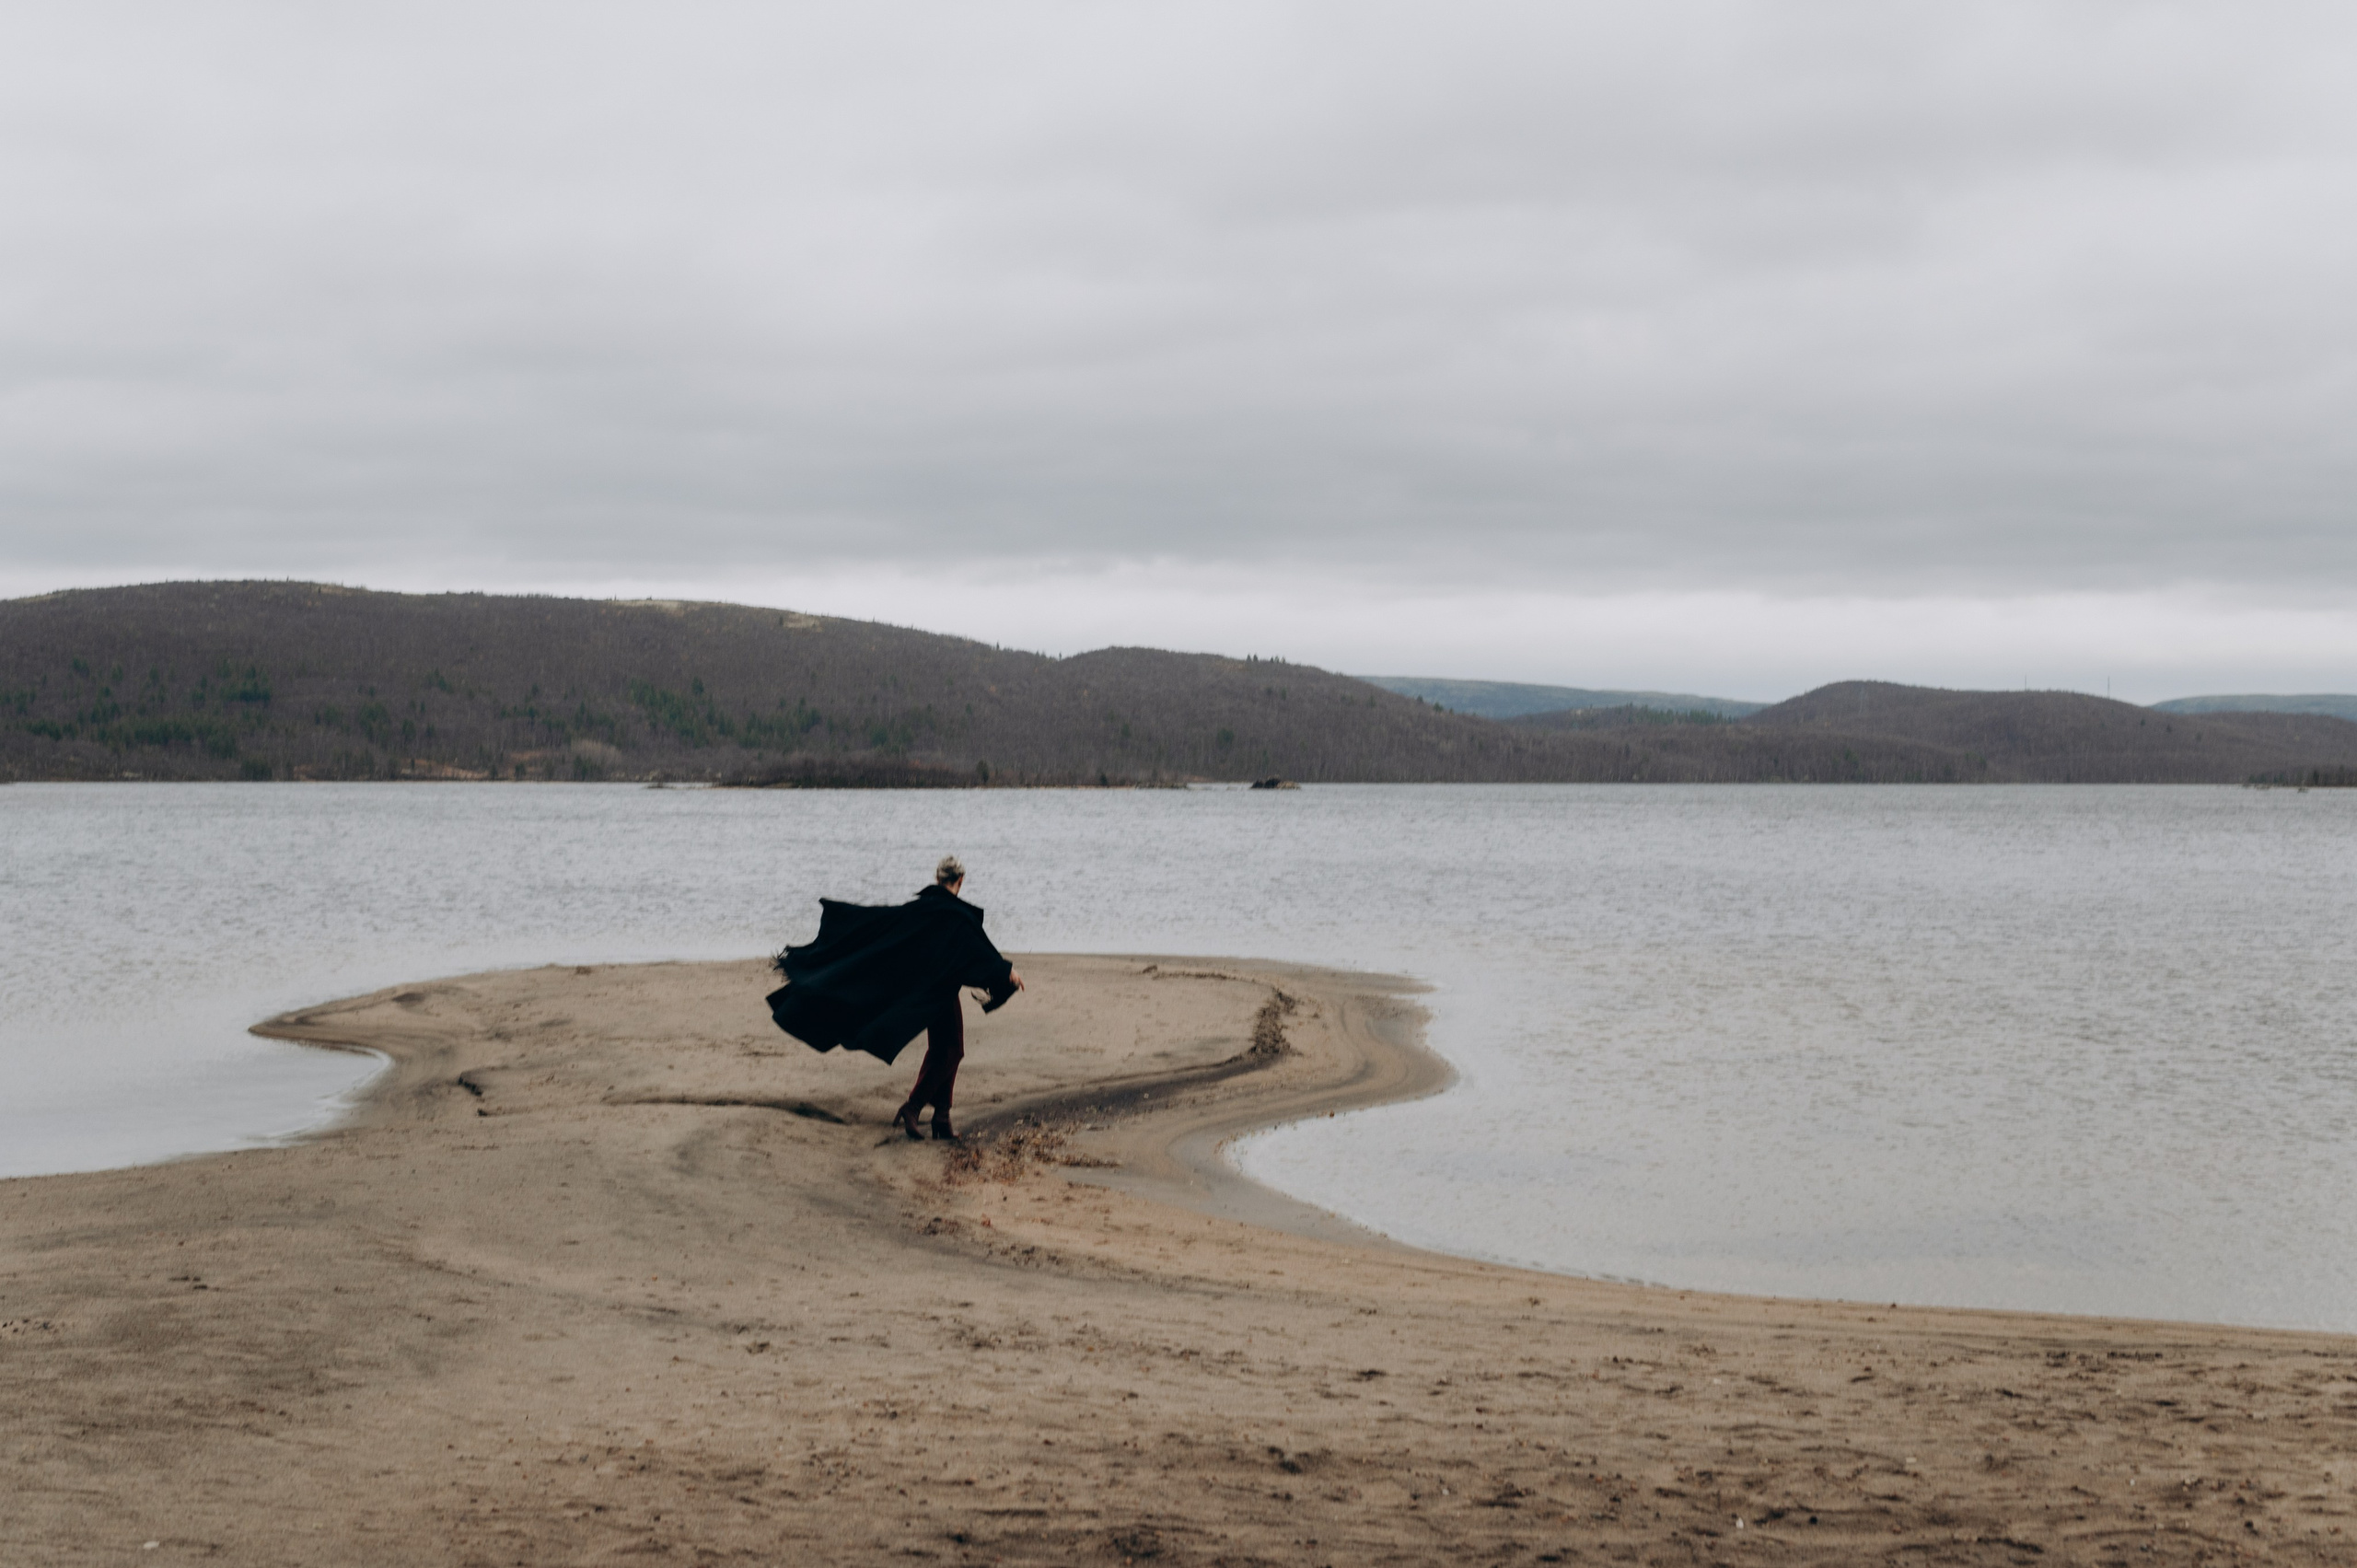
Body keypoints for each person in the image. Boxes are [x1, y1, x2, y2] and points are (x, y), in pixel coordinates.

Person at [765, 855, 1024, 1142]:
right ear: (960, 881)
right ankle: (913, 1108)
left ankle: (941, 1118)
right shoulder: (956, 916)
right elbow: (978, 953)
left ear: (937, 878)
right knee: (951, 1050)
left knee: (944, 1049)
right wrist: (1006, 972)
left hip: (927, 992)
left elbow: (888, 932)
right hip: (936, 994)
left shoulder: (923, 909)